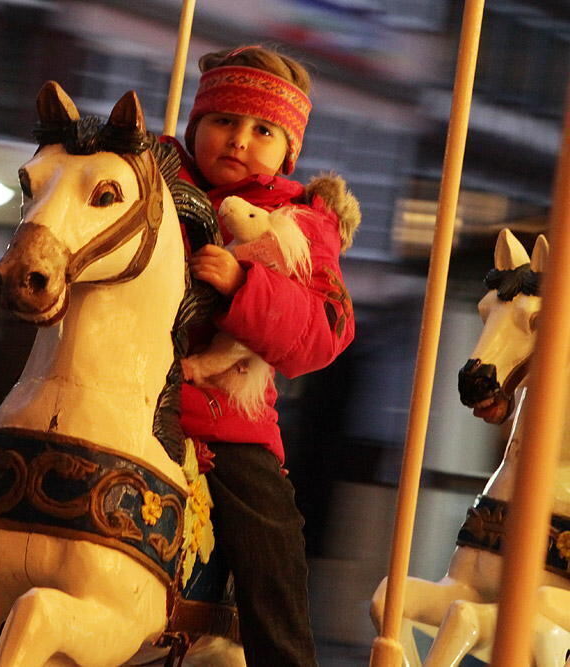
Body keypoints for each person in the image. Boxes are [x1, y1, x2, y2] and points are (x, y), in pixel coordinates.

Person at [161, 46, 361, 666]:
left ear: (288, 150)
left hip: (223, 421)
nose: (240, 139)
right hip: (123, 393)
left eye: (263, 130)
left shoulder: (301, 223)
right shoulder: (154, 185)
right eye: (224, 120)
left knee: (271, 539)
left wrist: (242, 286)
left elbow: (325, 330)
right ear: (196, 124)